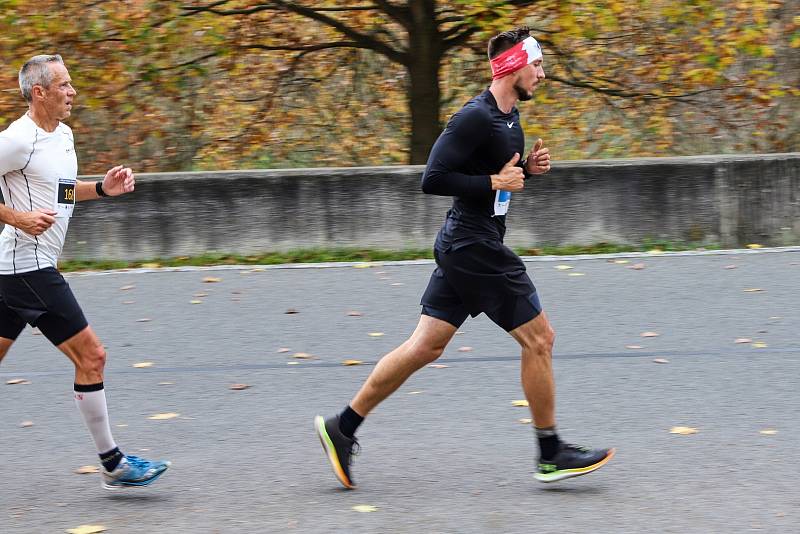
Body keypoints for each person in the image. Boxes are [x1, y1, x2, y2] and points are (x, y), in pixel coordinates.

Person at [315, 27, 614, 488]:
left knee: (424, 347)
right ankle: (551, 452)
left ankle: (342, 427)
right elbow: (433, 178)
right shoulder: (474, 117)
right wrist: (496, 183)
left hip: (466, 242)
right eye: (536, 64)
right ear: (511, 65)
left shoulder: (510, 118)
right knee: (540, 339)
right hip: (474, 246)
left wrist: (526, 174)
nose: (543, 73)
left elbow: (496, 177)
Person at [0, 54, 170, 489]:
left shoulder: (64, 136)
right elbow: (23, 204)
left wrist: (103, 190)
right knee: (92, 357)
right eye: (63, 85)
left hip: (16, 269)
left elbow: (59, 191)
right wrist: (16, 218)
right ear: (39, 93)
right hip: (27, 268)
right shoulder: (18, 139)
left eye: (71, 83)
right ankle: (113, 464)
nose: (72, 91)